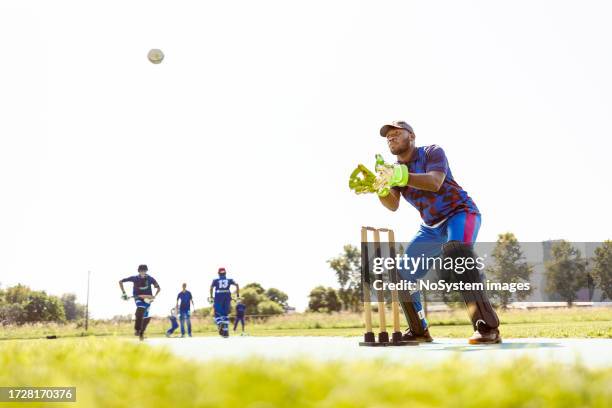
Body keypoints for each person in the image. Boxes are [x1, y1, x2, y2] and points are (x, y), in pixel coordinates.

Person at [355, 121, 501, 344]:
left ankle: (487, 326)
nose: (391, 138)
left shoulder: (432, 152)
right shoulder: (392, 170)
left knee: (458, 252)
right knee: (401, 274)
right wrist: (381, 188)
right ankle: (418, 330)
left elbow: (434, 182)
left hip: (460, 213)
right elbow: (392, 205)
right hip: (431, 227)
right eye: (388, 137)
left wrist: (400, 175)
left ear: (411, 136)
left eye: (396, 133)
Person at [119, 264, 160, 341]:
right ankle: (137, 330)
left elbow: (158, 288)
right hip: (138, 298)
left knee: (146, 317)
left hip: (148, 299)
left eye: (144, 271)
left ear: (146, 271)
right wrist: (124, 292)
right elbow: (120, 281)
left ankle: (141, 333)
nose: (142, 272)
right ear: (139, 271)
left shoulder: (150, 279)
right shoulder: (134, 278)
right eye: (141, 271)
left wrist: (154, 296)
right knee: (140, 309)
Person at [209, 267, 239, 338]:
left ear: (218, 273)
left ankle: (220, 324)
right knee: (225, 314)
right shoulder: (230, 280)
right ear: (225, 273)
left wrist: (211, 296)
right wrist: (237, 295)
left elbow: (211, 287)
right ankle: (225, 332)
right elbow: (237, 284)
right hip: (227, 297)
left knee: (217, 314)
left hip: (218, 297)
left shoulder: (215, 280)